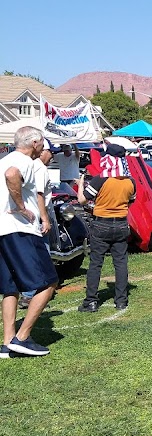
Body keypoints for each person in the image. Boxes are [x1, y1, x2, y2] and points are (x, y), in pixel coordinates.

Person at [0, 127, 59, 357]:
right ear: (34, 142)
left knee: (10, 287)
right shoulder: (22, 161)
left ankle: (6, 342)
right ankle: (22, 338)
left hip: (4, 230)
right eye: (42, 143)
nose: (43, 147)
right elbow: (12, 175)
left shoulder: (3, 159)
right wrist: (23, 209)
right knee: (49, 282)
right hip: (21, 230)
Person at [77, 144, 137, 311]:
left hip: (101, 223)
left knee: (96, 263)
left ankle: (91, 301)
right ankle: (121, 300)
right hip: (121, 223)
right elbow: (132, 200)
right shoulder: (130, 181)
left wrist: (81, 183)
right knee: (121, 262)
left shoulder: (100, 179)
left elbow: (82, 200)